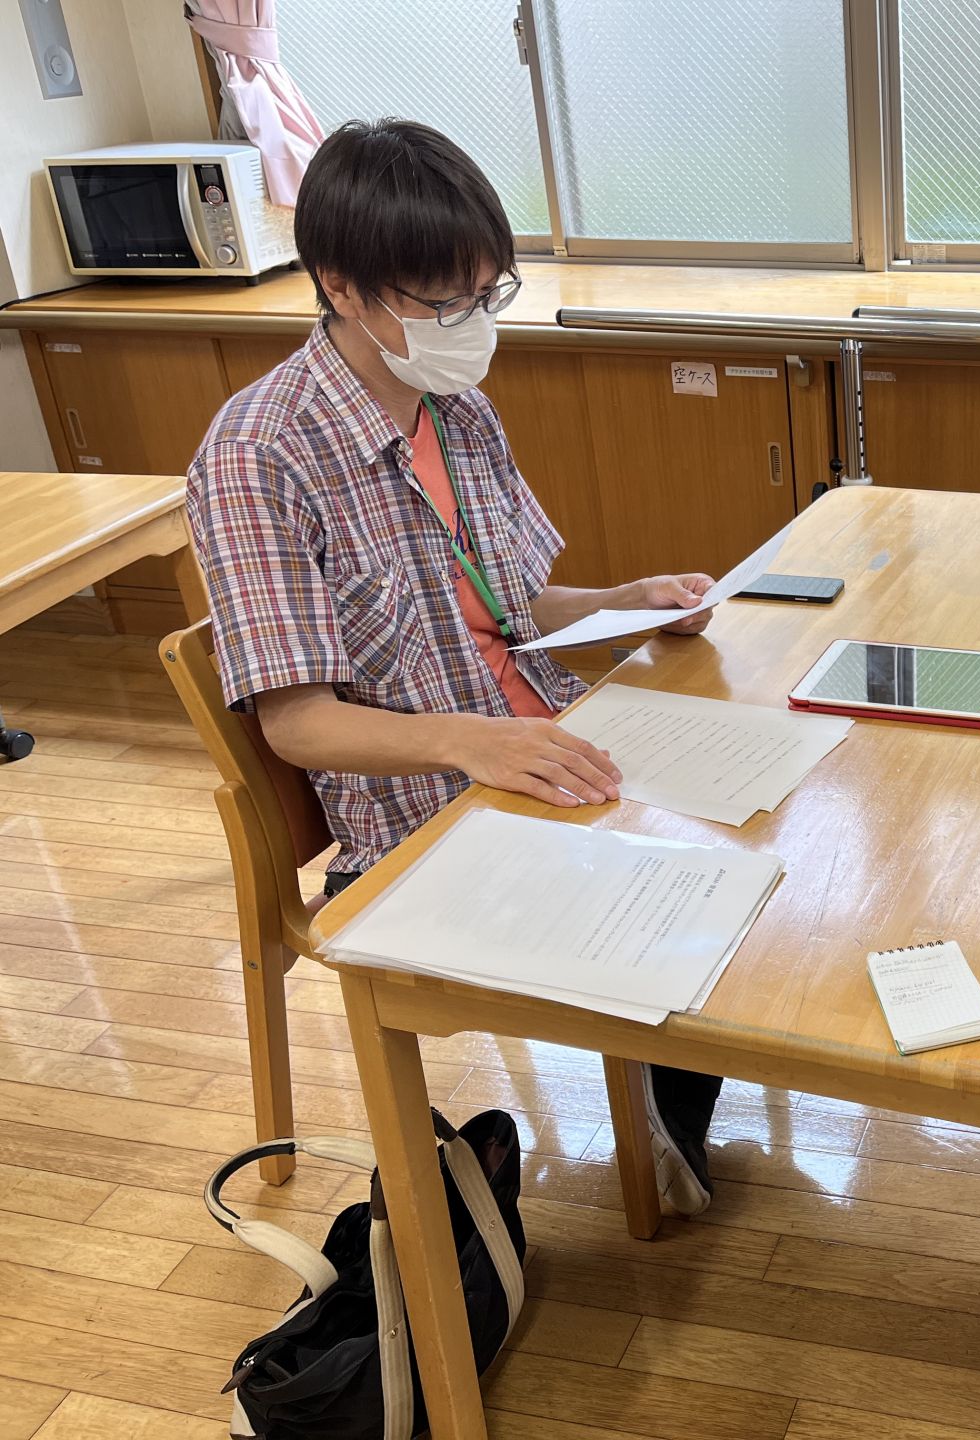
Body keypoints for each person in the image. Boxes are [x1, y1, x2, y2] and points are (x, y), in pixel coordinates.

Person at [187, 119, 723, 1215]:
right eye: (444, 302)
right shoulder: (258, 456)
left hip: (543, 743)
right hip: (424, 820)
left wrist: (621, 603)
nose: (472, 325)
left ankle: (669, 1096)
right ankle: (659, 1099)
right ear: (342, 286)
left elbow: (509, 607)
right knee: (693, 884)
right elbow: (297, 724)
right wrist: (474, 743)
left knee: (757, 819)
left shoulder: (459, 411)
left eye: (488, 294)